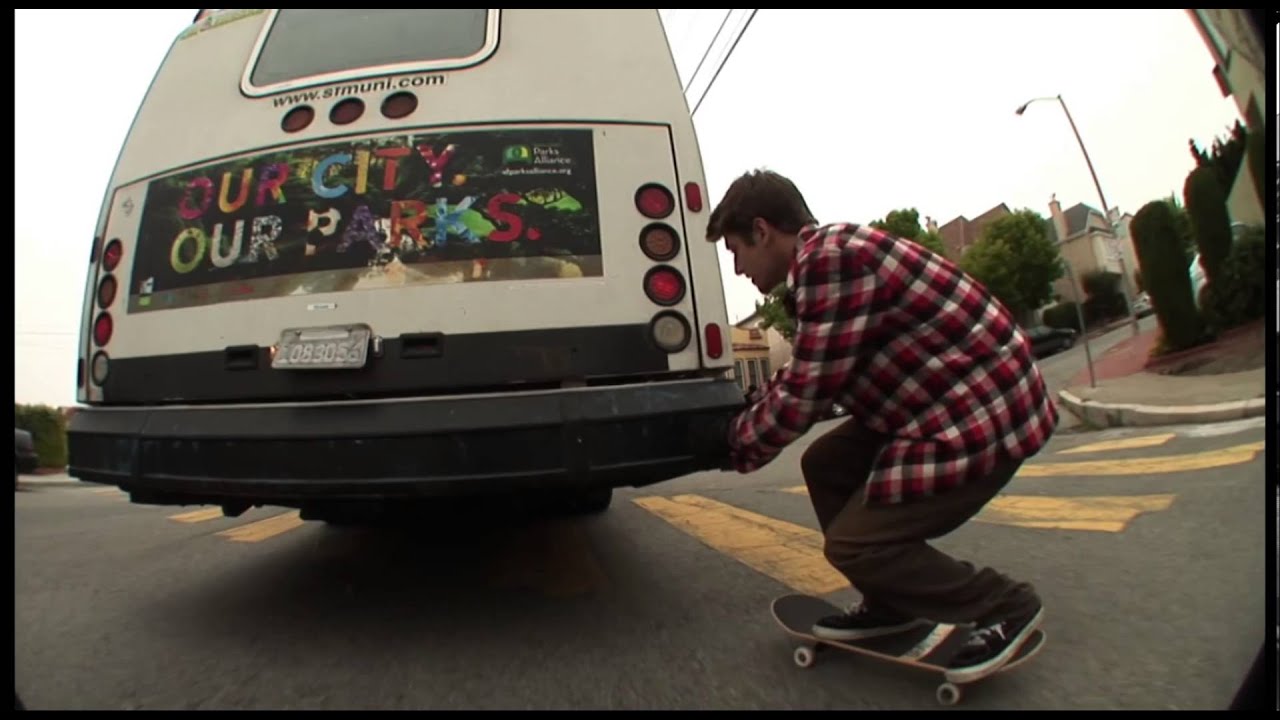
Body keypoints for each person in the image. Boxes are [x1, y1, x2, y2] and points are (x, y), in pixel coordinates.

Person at [697, 169, 1059, 681]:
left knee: (855, 545)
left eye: (736, 250)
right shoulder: (830, 259)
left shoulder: (830, 261)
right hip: (939, 404)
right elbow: (809, 367)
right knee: (826, 461)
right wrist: (749, 410)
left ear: (762, 230)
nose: (737, 269)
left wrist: (728, 443)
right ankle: (890, 601)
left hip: (982, 413)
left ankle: (1005, 605)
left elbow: (808, 393)